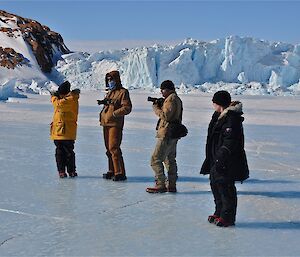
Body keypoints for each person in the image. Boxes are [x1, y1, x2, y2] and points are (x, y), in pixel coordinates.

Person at [200, 90, 249, 227]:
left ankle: (227, 217)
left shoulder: (231, 119)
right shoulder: (218, 116)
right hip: (215, 157)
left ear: (219, 103)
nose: (212, 104)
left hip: (227, 160)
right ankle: (219, 211)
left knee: (225, 187)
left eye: (214, 102)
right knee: (215, 185)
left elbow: (230, 141)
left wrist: (221, 156)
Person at [146, 80, 183, 193]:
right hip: (173, 133)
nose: (161, 92)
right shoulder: (175, 99)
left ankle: (160, 183)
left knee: (155, 159)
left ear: (168, 89)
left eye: (163, 89)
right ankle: (171, 184)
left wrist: (156, 108)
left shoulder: (171, 99)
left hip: (167, 133)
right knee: (170, 159)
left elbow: (165, 115)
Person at [100, 70, 132, 181]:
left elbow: (127, 108)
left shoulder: (123, 92)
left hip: (115, 124)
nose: (110, 82)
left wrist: (114, 113)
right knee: (108, 149)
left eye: (111, 79)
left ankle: (120, 172)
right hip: (106, 123)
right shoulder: (110, 92)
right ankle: (111, 170)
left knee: (114, 148)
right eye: (108, 80)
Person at [50, 81, 80, 178]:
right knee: (60, 152)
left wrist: (54, 97)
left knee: (67, 152)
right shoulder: (68, 99)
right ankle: (62, 170)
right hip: (59, 131)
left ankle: (70, 171)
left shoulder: (70, 99)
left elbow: (59, 105)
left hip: (66, 131)